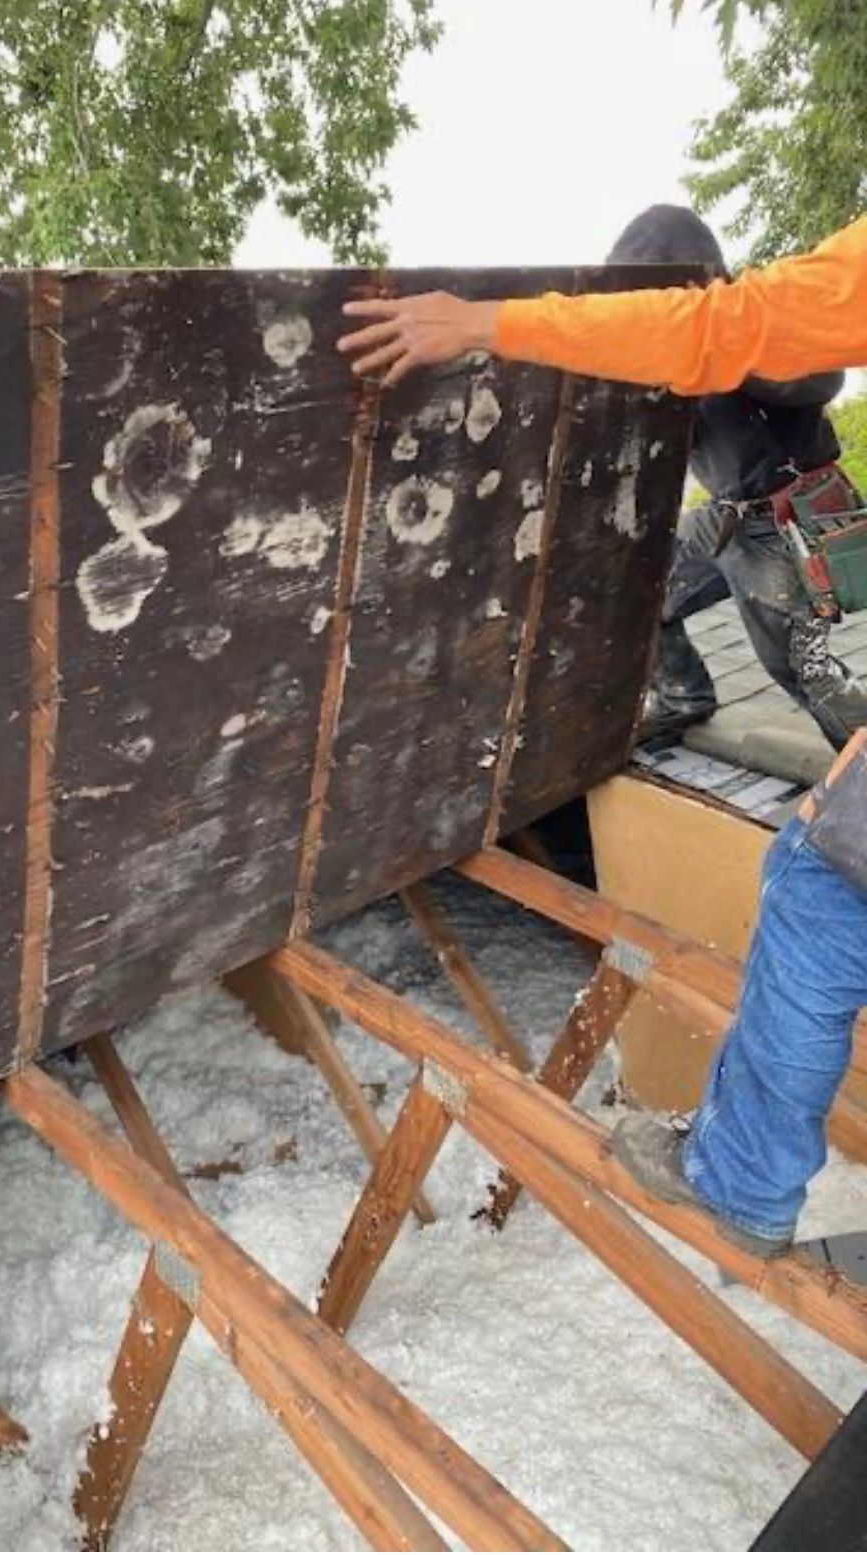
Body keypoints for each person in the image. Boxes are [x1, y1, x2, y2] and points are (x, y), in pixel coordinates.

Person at [337, 213, 867, 1257]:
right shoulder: (702, 344)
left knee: (824, 767)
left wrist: (493, 324)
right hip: (757, 524)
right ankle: (689, 694)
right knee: (679, 607)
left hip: (799, 526)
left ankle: (743, 1183)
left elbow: (782, 359)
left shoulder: (753, 339)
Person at [604, 205, 865, 749]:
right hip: (726, 515)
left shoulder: (753, 318)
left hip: (788, 518)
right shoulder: (671, 342)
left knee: (803, 669)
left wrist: (725, 348)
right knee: (637, 590)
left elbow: (823, 377)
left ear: (696, 280)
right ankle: (683, 697)